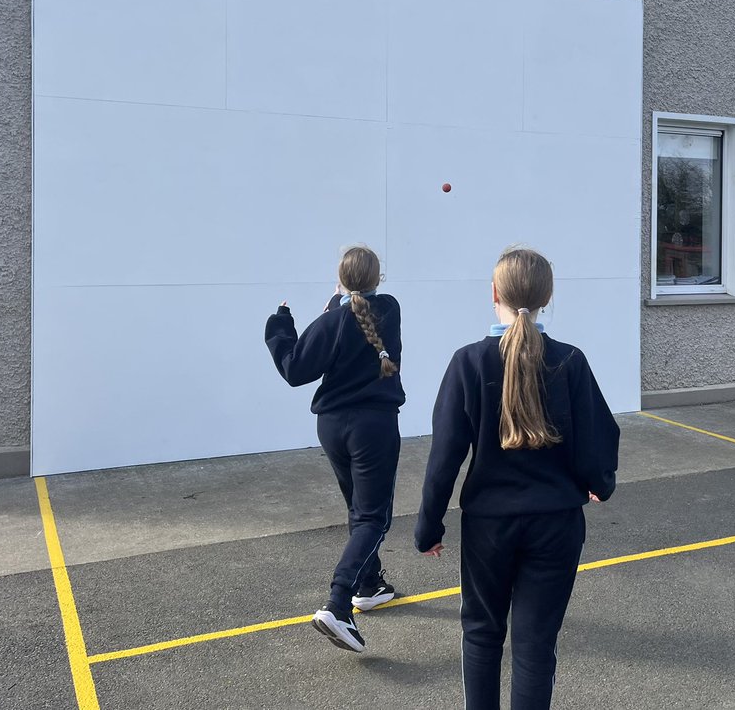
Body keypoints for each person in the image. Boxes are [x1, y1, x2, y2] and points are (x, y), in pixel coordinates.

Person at [415, 248, 620, 710]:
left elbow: (445, 454)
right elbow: (597, 435)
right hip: (556, 522)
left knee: (482, 635)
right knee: (535, 645)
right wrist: (599, 482)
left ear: (494, 294)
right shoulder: (569, 360)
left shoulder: (469, 361)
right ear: (548, 296)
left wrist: (429, 525)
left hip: (489, 524)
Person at [264, 245, 404, 653]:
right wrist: (337, 305)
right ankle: (338, 604)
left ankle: (368, 584)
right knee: (373, 517)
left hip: (332, 427)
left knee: (359, 510)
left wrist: (280, 323)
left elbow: (294, 369)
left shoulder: (330, 323)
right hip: (373, 427)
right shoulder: (390, 309)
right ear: (378, 279)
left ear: (339, 280)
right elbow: (360, 312)